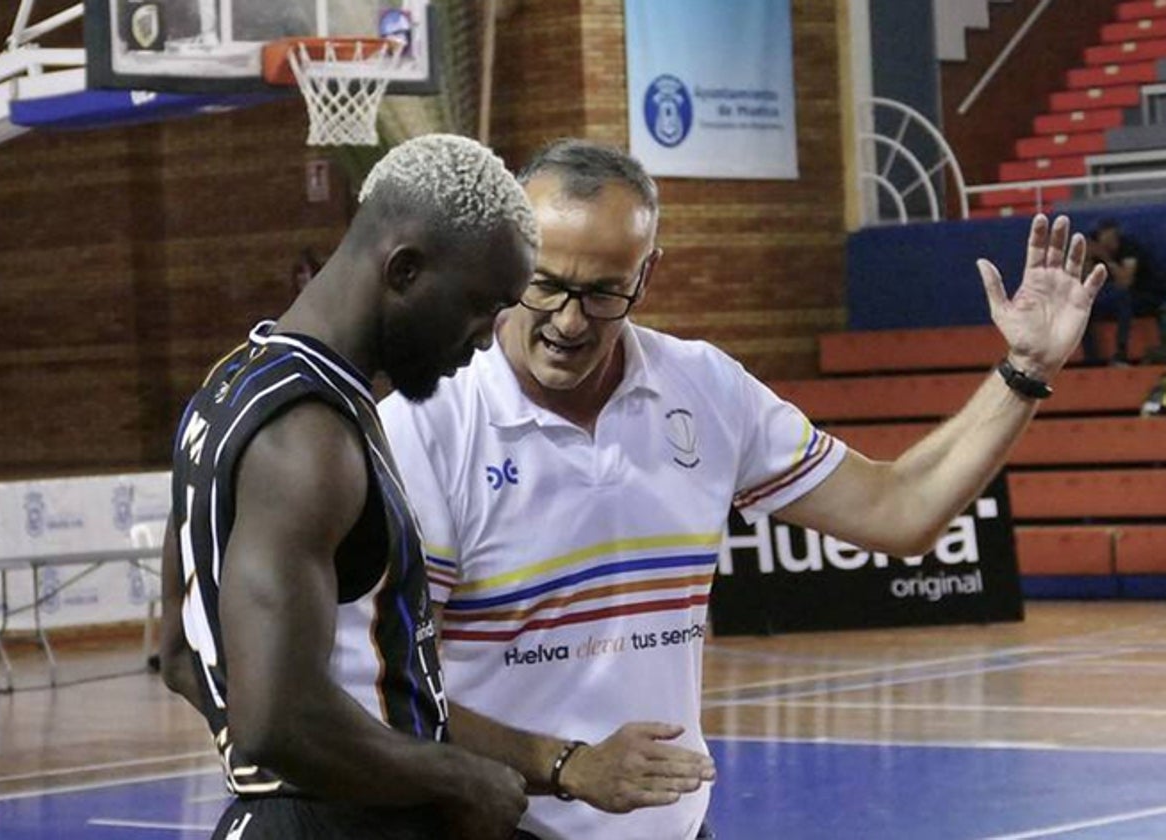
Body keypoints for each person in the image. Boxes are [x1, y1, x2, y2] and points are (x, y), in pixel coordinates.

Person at [377, 139, 1106, 840]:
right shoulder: (425, 426)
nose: (569, 321)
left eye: (604, 293)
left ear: (647, 275)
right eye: (547, 285)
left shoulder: (704, 387)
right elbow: (387, 691)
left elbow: (899, 511)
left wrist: (1025, 371)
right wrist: (564, 766)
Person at [158, 133, 541, 840]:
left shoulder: (227, 388)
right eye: (481, 306)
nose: (487, 339)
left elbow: (181, 657)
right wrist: (459, 776)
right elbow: (275, 719)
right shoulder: (309, 438)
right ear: (404, 271)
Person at [1081, 218, 1166, 364]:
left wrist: (1106, 258)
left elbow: (1125, 283)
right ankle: (1091, 358)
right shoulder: (1096, 248)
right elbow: (1086, 283)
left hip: (1144, 295)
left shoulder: (1129, 248)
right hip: (1112, 297)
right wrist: (1087, 258)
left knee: (1123, 298)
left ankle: (1121, 353)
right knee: (1083, 304)